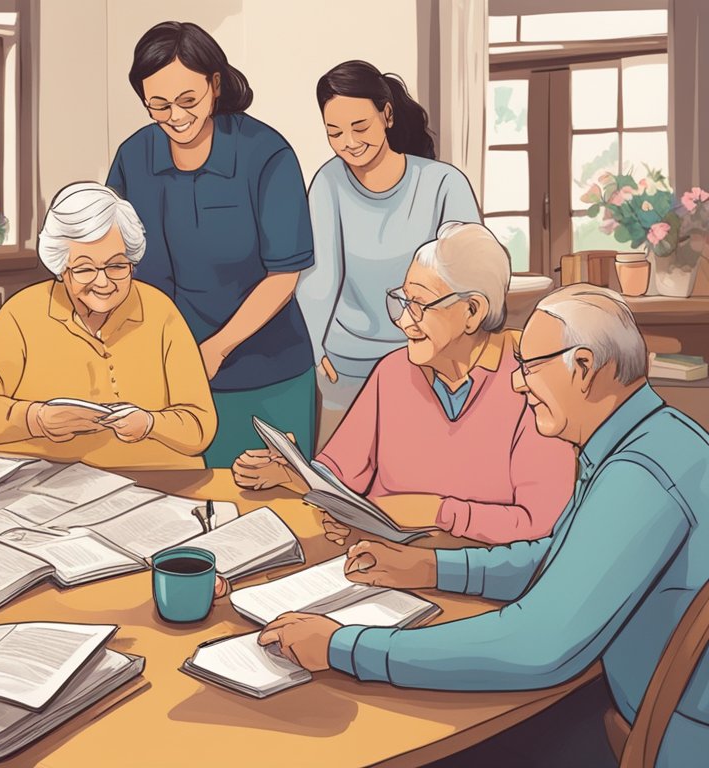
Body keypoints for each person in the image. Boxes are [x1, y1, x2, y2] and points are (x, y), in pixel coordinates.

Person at [257, 285, 709, 768]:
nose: (516, 385)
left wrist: (342, 646)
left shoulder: (639, 475)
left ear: (582, 367)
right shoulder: (654, 438)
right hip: (640, 711)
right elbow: (556, 557)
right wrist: (430, 566)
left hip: (665, 743)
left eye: (530, 368)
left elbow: (537, 644)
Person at [233, 223, 574, 544]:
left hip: (468, 579)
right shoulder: (393, 372)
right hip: (376, 562)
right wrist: (295, 473)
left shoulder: (532, 387)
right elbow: (340, 474)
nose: (403, 321)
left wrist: (434, 513)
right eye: (403, 301)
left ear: (472, 311)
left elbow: (540, 523)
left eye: (420, 306)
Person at [107, 21, 316, 465]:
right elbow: (115, 256)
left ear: (215, 84)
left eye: (188, 100)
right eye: (158, 105)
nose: (176, 117)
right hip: (165, 383)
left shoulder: (266, 153)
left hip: (265, 375)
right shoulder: (133, 157)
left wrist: (216, 348)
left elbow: (284, 274)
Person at [0, 182, 216, 469]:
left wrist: (150, 423)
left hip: (157, 479)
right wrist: (35, 418)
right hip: (47, 481)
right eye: (85, 269)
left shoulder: (159, 311)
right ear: (61, 269)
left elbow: (199, 426)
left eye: (116, 266)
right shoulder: (22, 312)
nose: (103, 282)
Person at [297, 60, 481, 438]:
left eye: (359, 127)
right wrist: (314, 349)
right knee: (337, 486)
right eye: (334, 132)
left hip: (427, 363)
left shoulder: (444, 184)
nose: (348, 142)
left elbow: (471, 275)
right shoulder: (328, 182)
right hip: (345, 368)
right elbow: (319, 279)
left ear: (387, 114)